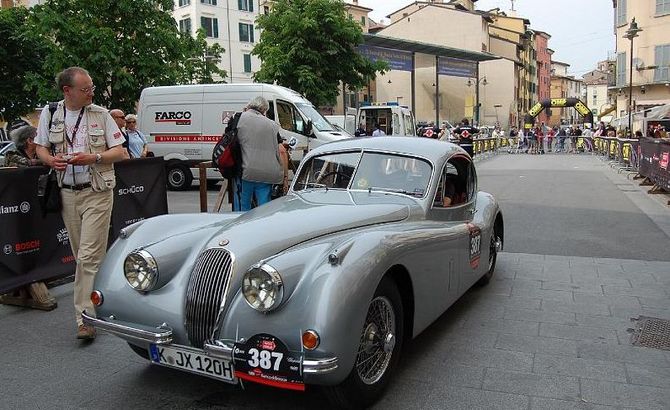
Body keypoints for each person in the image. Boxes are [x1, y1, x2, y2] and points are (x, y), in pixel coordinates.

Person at [35, 66, 128, 340]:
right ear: (67, 90)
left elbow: (120, 152)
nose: (91, 93)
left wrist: (94, 158)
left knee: (87, 258)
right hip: (67, 192)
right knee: (84, 258)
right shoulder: (50, 113)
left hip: (97, 191)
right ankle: (102, 300)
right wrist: (50, 160)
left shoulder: (100, 114)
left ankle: (85, 319)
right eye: (85, 89)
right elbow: (40, 146)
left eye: (92, 88)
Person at [234, 96, 284, 211]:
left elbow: (231, 141)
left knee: (243, 205)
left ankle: (242, 226)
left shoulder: (238, 118)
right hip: (267, 172)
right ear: (264, 110)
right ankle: (261, 226)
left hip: (246, 170)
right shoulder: (272, 125)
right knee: (264, 207)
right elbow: (280, 147)